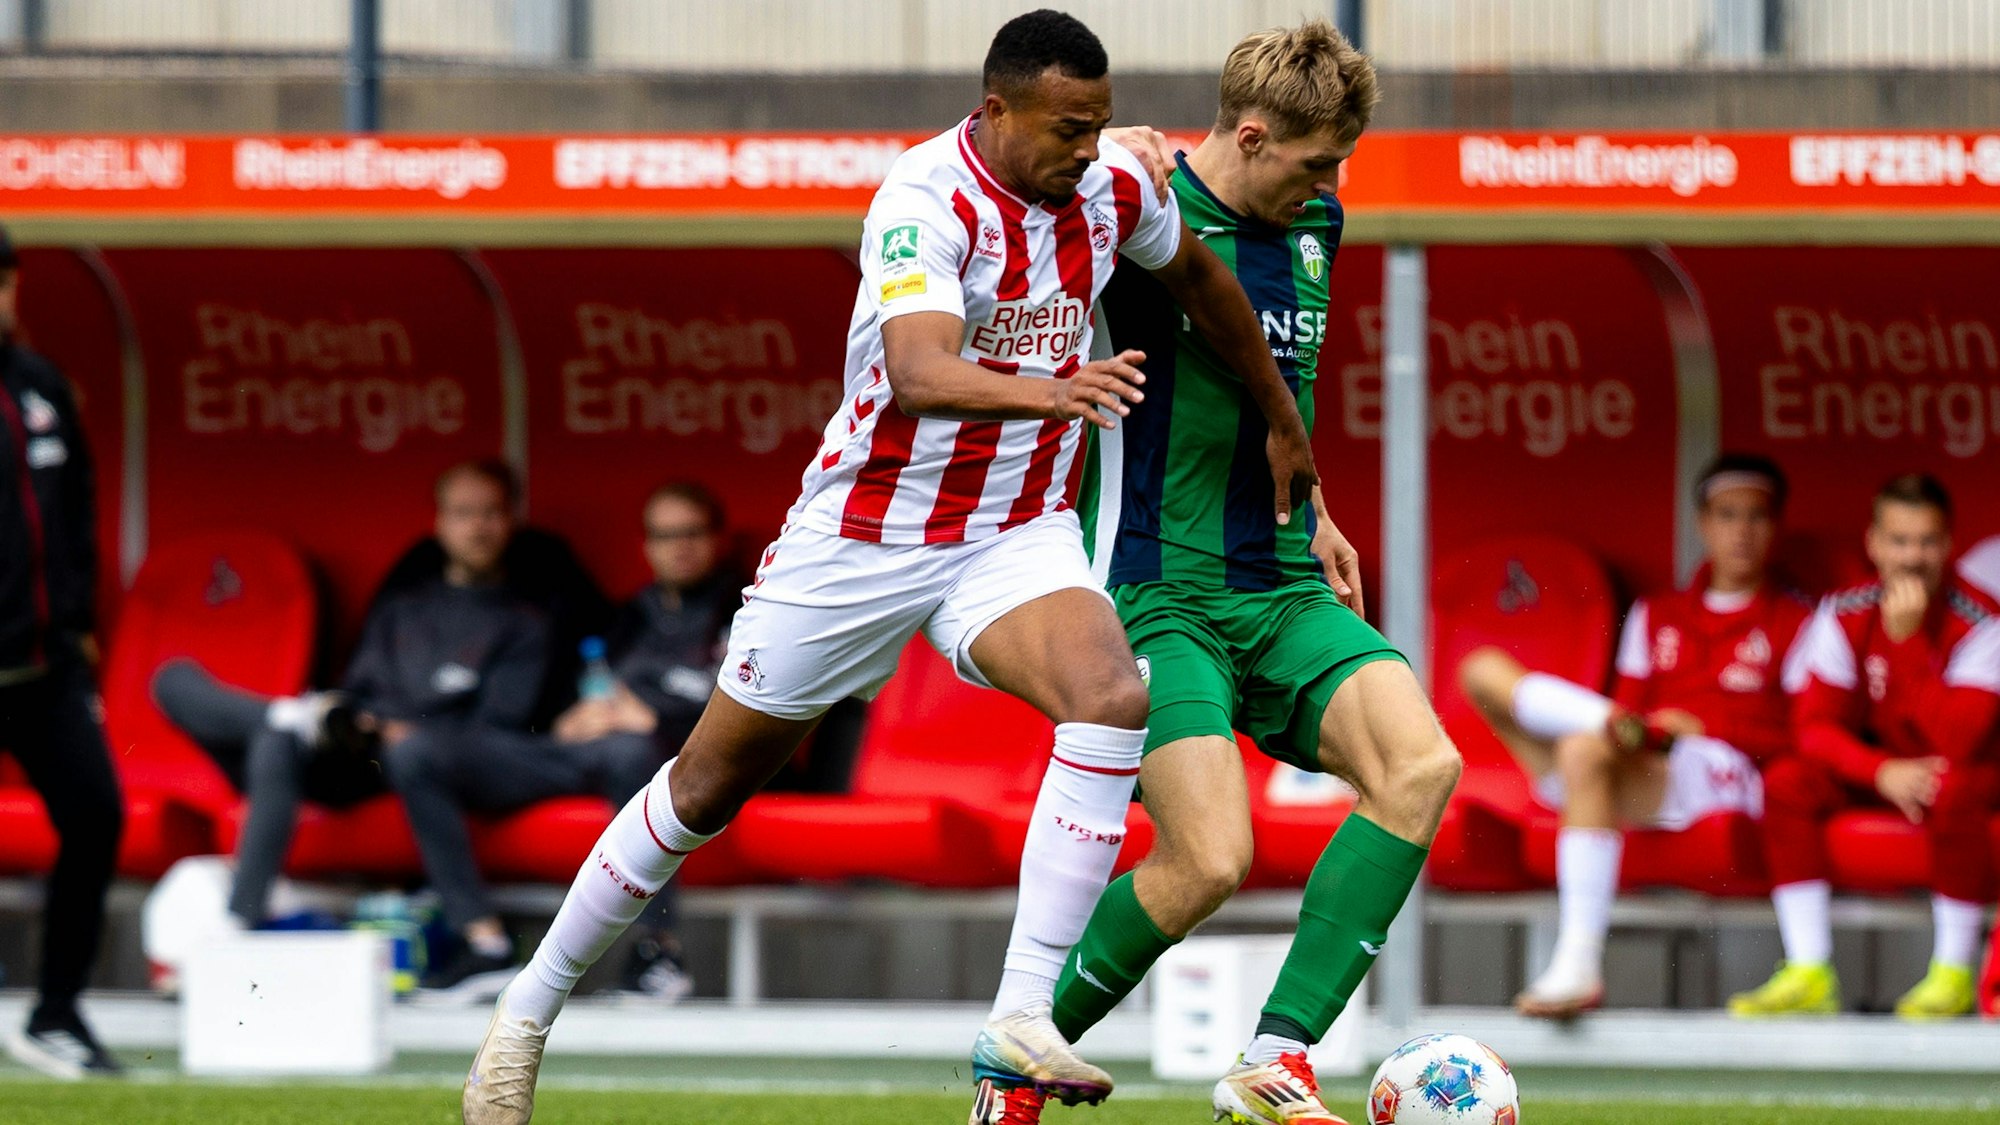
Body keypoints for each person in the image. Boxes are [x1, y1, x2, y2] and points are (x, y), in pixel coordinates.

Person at [462, 10, 1318, 1123]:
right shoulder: (923, 199)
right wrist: (1051, 389)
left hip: (1010, 531)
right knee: (705, 786)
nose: (1085, 147)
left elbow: (1203, 283)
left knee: (1109, 692)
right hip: (863, 539)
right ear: (996, 111)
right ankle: (525, 1013)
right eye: (1067, 127)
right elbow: (919, 371)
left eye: (1100, 125)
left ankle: (1022, 1017)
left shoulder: (1111, 188)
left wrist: (1278, 416)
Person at [999, 24, 1460, 1125]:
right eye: (1312, 162)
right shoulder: (1124, 206)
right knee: (1207, 860)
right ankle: (1016, 1062)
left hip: (1281, 579)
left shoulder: (1315, 226)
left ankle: (1276, 1062)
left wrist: (1322, 503)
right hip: (1154, 589)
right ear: (1248, 134)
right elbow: (1006, 206)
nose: (1329, 185)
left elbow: (1274, 385)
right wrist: (1121, 160)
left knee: (1420, 764)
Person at [153, 460, 554, 998]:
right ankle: (240, 922)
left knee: (409, 752)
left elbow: (496, 729)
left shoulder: (526, 619)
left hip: (430, 763)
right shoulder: (402, 608)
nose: (477, 526)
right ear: (439, 523)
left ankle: (481, 942)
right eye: (463, 513)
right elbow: (358, 689)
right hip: (354, 751)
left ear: (511, 521)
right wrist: (350, 721)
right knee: (185, 686)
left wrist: (399, 729)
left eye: (490, 513)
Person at [1457, 454, 1813, 1020]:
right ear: (1703, 523)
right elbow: (1632, 706)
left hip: (1723, 771)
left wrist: (1704, 728)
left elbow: (1807, 732)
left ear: (1776, 526)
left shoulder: (1798, 619)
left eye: (1756, 517)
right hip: (1634, 758)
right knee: (1480, 669)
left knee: (1585, 746)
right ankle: (1599, 722)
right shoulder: (1658, 612)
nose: (1741, 531)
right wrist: (1637, 728)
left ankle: (1577, 963)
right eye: (1727, 515)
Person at [397, 481, 742, 1002]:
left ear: (717, 538)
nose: (680, 546)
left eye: (692, 532)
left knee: (639, 757)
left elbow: (761, 708)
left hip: (670, 763)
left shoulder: (745, 610)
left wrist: (654, 718)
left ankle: (659, 953)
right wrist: (573, 718)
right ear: (647, 545)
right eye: (666, 535)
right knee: (418, 754)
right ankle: (483, 944)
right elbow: (576, 687)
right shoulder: (629, 615)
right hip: (586, 753)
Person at [1731, 473, 2000, 1019]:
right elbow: (1812, 727)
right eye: (1899, 541)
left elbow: (1962, 739)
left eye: (1927, 541)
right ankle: (1809, 971)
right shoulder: (1847, 610)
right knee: (1787, 780)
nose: (1913, 557)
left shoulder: (1980, 620)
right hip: (1884, 774)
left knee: (1957, 783)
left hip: (1957, 778)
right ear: (1873, 544)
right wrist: (1878, 771)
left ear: (1948, 546)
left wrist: (1905, 646)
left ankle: (1952, 972)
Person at [0, 223, 125, 1079]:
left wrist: (79, 628)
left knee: (95, 814)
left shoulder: (43, 386)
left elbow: (76, 521)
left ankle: (56, 1011)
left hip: (43, 667)